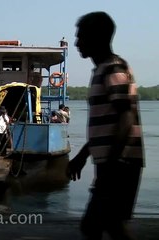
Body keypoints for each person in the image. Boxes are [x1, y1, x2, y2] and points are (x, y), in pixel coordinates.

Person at [67, 12, 145, 240]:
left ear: (96, 37)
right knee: (110, 224)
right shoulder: (101, 71)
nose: (76, 43)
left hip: (120, 163)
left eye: (81, 37)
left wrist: (112, 162)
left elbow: (126, 118)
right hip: (114, 163)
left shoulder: (114, 68)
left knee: (94, 225)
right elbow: (106, 127)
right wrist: (82, 156)